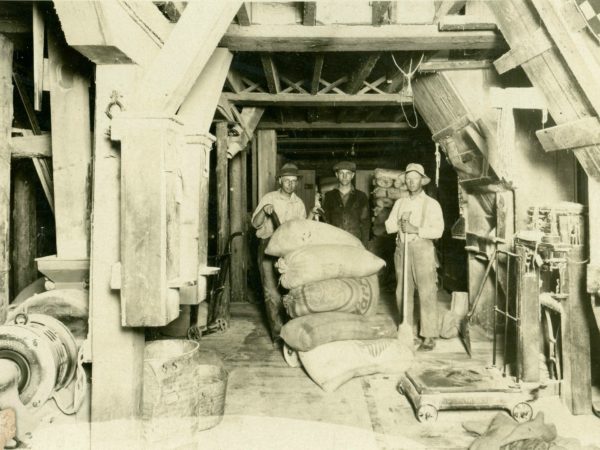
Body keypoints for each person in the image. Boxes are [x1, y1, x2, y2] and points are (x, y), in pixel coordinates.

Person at [385, 163, 444, 351]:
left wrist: (415, 229)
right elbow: (388, 226)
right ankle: (406, 329)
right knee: (402, 291)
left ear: (422, 181)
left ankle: (429, 335)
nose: (411, 182)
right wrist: (399, 223)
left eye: (415, 178)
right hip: (402, 249)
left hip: (423, 249)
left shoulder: (432, 204)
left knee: (427, 291)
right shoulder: (399, 203)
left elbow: (439, 231)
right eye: (408, 179)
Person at [251, 163, 308, 344]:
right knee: (271, 292)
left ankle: (291, 329)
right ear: (280, 181)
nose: (291, 185)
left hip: (290, 249)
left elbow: (302, 230)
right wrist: (264, 210)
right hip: (268, 245)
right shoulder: (270, 197)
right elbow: (255, 223)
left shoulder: (299, 203)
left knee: (290, 288)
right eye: (287, 181)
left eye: (294, 181)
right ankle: (277, 334)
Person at [320, 161, 370, 246]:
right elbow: (325, 222)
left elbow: (365, 224)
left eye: (348, 173)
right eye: (341, 173)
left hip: (355, 243)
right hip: (335, 243)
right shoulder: (329, 196)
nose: (344, 176)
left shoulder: (361, 196)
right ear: (336, 175)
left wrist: (364, 246)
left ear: (352, 175)